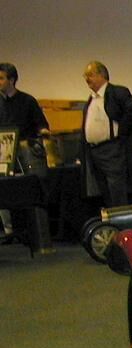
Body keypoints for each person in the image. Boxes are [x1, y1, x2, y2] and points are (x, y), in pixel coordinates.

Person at [81, 61, 132, 207]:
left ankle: (121, 224)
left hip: (112, 150)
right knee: (104, 191)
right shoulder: (92, 98)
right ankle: (111, 222)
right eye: (85, 75)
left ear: (102, 75)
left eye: (90, 75)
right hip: (95, 151)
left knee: (117, 190)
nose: (87, 78)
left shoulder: (117, 92)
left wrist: (120, 130)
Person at [0, 62, 50, 241]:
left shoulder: (27, 101)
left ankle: (37, 230)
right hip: (4, 152)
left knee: (32, 187)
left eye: (1, 78)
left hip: (25, 149)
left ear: (12, 80)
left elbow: (42, 124)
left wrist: (42, 133)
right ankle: (9, 230)